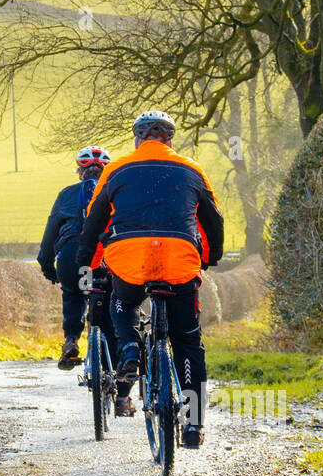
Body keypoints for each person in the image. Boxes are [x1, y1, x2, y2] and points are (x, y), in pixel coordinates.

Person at [76, 110, 224, 447]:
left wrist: (87, 261)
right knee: (188, 340)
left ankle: (130, 347)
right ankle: (192, 425)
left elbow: (94, 223)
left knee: (122, 302)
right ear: (169, 139)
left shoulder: (116, 169)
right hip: (179, 259)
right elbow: (213, 220)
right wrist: (210, 257)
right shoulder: (192, 169)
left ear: (138, 139)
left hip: (130, 259)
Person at [37, 146, 118, 374]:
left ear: (80, 172)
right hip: (106, 259)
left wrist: (47, 266)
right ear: (105, 172)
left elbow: (50, 233)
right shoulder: (115, 191)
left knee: (74, 295)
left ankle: (71, 339)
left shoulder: (66, 194)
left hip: (72, 260)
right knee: (112, 306)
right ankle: (114, 372)